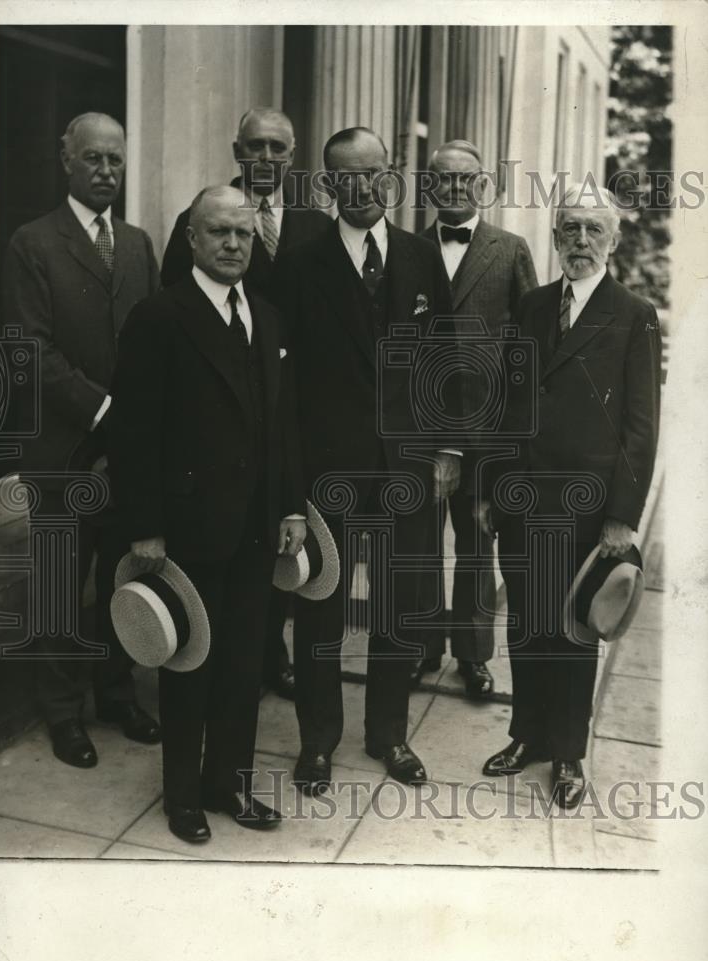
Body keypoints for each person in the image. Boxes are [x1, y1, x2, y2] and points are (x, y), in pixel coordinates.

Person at [107, 186, 307, 844]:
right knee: (190, 662)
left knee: (244, 662)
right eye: (218, 232)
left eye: (243, 235)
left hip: (255, 526)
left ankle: (230, 783)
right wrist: (144, 529)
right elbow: (133, 435)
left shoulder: (270, 319)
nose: (231, 245)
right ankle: (183, 795)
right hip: (188, 528)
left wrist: (290, 510)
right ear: (191, 239)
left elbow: (282, 429)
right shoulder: (159, 317)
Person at [276, 127, 461, 795]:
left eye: (373, 172)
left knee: (398, 608)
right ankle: (317, 742)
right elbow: (283, 389)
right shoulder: (299, 266)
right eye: (345, 176)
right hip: (330, 473)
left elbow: (444, 359)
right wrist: (292, 485)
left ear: (391, 175)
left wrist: (446, 446)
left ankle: (388, 734)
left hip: (406, 469)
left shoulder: (417, 258)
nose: (361, 186)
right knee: (320, 611)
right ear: (326, 184)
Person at [479, 182, 661, 808]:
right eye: (569, 229)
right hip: (521, 503)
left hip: (587, 510)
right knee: (528, 624)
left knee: (575, 631)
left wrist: (621, 517)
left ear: (613, 239)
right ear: (554, 237)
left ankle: (567, 756)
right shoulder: (531, 307)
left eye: (593, 229)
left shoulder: (633, 314)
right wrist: (489, 489)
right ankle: (526, 734)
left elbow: (641, 427)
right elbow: (506, 404)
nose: (580, 241)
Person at [2, 112, 161, 769]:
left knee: (124, 573)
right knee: (59, 586)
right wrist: (102, 411)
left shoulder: (138, 243)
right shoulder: (31, 243)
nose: (105, 171)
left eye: (115, 161)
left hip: (126, 456)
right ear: (65, 161)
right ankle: (63, 714)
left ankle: (116, 695)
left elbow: (152, 341)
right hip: (63, 451)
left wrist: (139, 421)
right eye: (92, 158)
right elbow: (26, 350)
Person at [161, 106, 332, 700]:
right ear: (237, 151)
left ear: (292, 155)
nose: (265, 158)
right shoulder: (203, 217)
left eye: (277, 148)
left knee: (280, 536)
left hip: (295, 412)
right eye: (254, 146)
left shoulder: (315, 225)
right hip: (223, 422)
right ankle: (226, 659)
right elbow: (173, 314)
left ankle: (270, 652)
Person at [413, 139, 538, 695]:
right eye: (445, 178)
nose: (456, 188)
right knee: (416, 546)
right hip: (420, 432)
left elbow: (529, 349)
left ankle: (472, 654)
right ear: (428, 185)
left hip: (485, 433)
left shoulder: (510, 251)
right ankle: (421, 647)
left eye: (467, 179)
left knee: (474, 546)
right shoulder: (407, 250)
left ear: (483, 184)